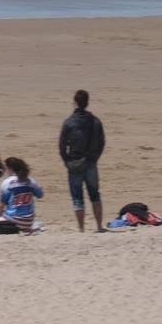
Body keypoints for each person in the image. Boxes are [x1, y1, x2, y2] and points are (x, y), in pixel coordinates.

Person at [59, 89, 106, 232]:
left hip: (74, 164)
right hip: (91, 162)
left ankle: (81, 228)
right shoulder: (95, 121)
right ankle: (98, 226)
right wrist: (94, 158)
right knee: (95, 195)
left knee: (77, 198)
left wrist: (67, 161)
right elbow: (101, 142)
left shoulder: (68, 122)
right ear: (87, 103)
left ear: (75, 102)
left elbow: (62, 146)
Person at [0, 156, 44, 233]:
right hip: (28, 222)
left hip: (13, 221)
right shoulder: (30, 181)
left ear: (10, 168)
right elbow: (40, 195)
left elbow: (1, 206)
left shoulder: (7, 182)